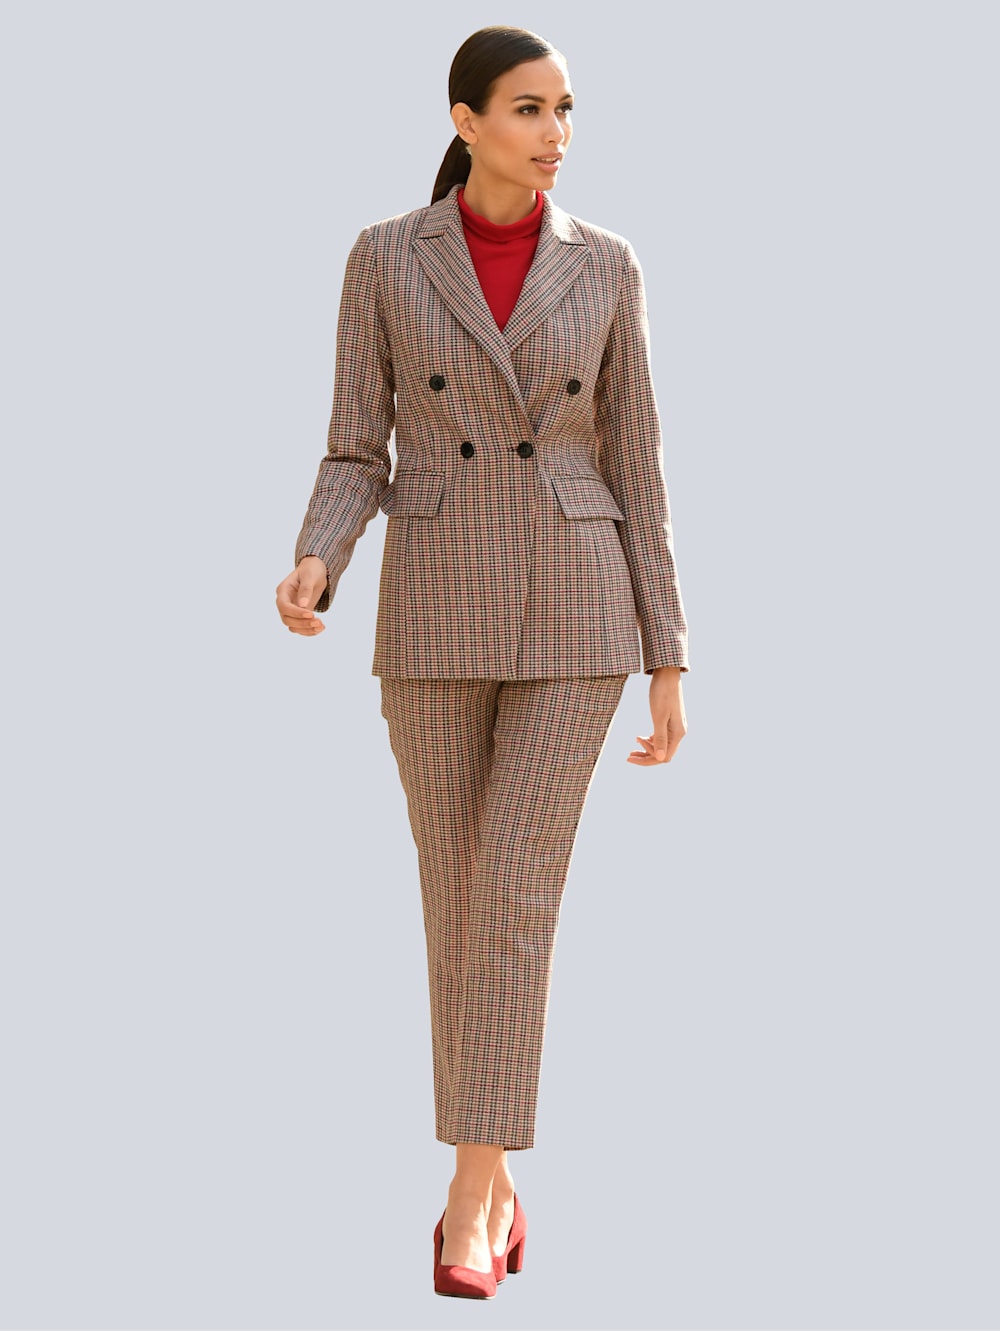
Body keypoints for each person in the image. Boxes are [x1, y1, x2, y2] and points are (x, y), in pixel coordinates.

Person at [275, 24, 689, 1300]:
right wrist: (317, 557)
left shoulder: (605, 264)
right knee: (455, 896)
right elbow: (358, 445)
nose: (554, 133)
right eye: (527, 108)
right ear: (464, 121)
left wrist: (668, 653)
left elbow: (637, 464)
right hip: (437, 606)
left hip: (578, 612)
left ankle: (469, 1190)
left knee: (510, 886)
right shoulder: (384, 257)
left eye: (565, 109)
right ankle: (499, 1185)